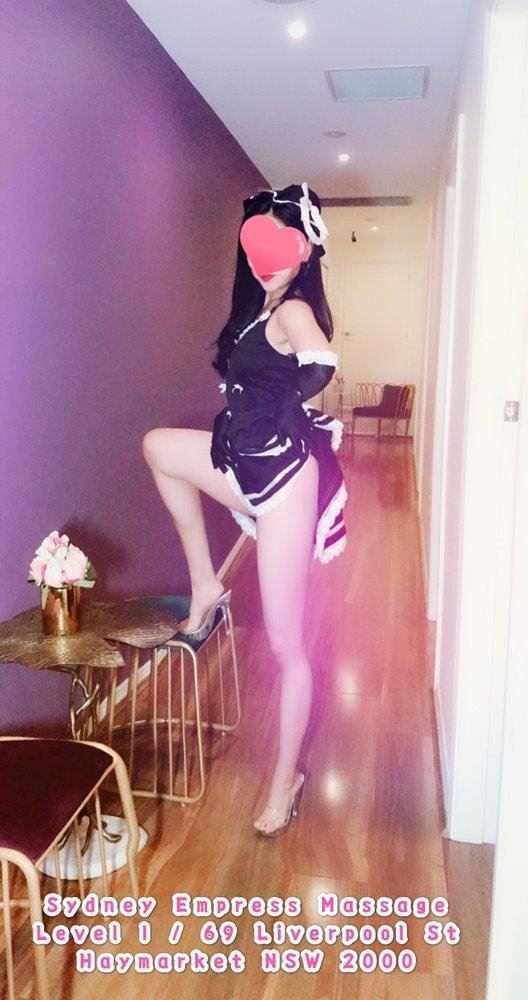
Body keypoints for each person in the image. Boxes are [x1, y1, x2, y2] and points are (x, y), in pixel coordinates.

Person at [142, 182, 348, 836]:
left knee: (287, 645)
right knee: (159, 447)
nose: (266, 260)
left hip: (284, 478)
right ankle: (206, 584)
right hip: (241, 462)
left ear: (305, 249)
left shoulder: (291, 310)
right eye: (256, 247)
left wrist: (288, 400)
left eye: (281, 246)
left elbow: (321, 360)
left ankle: (286, 779)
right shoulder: (256, 311)